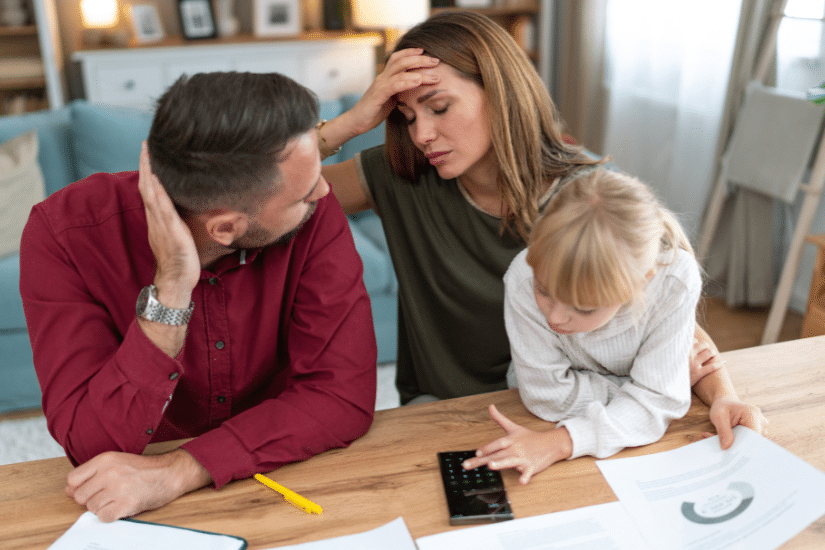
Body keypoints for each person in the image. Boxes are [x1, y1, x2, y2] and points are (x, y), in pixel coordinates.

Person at [318, 10, 765, 442]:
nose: (421, 135)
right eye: (408, 118)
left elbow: (668, 306)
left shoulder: (588, 195)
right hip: (446, 409)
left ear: (499, 92)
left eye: (439, 108)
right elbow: (269, 197)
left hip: (572, 413)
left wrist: (723, 395)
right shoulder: (400, 176)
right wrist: (348, 124)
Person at [19, 72, 377, 522]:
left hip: (283, 472)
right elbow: (93, 445)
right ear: (225, 228)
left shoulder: (314, 211)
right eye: (303, 197)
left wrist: (180, 470)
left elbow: (342, 395)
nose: (324, 192)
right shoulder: (63, 234)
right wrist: (170, 291)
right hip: (135, 507)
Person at [464, 170, 701, 482]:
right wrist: (644, 392)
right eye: (544, 291)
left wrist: (563, 442)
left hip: (579, 438)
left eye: (585, 308)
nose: (554, 318)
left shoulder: (675, 281)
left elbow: (657, 402)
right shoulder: (522, 276)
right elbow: (546, 397)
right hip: (538, 419)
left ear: (641, 282)